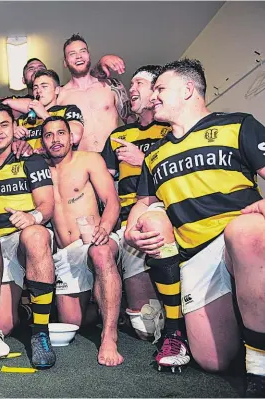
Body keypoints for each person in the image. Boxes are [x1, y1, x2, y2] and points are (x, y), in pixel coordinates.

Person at [125, 59, 265, 396]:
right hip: (196, 256)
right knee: (212, 362)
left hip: (241, 239)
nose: (153, 97)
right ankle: (225, 327)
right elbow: (143, 203)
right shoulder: (154, 155)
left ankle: (260, 367)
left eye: (160, 89)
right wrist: (132, 229)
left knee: (244, 232)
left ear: (188, 89)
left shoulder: (239, 125)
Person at [41, 115, 123, 366]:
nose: (55, 139)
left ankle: (109, 336)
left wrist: (106, 227)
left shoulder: (89, 160)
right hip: (65, 253)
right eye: (48, 135)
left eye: (61, 133)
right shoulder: (39, 169)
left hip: (94, 240)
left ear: (71, 136)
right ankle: (108, 304)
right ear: (42, 141)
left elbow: (112, 200)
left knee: (101, 254)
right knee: (72, 323)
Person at [0, 102, 56, 368]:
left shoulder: (32, 160)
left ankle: (40, 333)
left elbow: (47, 204)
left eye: (4, 125)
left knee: (36, 234)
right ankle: (20, 313)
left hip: (24, 239)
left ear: (15, 128)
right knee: (4, 325)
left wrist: (31, 217)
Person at [101, 65, 170, 342]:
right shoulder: (119, 136)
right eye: (130, 85)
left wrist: (143, 161)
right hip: (126, 216)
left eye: (138, 83)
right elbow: (104, 184)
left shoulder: (170, 131)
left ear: (156, 91)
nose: (131, 89)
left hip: (163, 210)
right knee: (145, 330)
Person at [57, 34, 133, 152]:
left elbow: (132, 122)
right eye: (72, 54)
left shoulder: (111, 86)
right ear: (65, 62)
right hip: (81, 164)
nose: (78, 56)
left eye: (83, 51)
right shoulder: (60, 96)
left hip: (114, 162)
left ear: (89, 55)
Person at [15, 69, 84, 152]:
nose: (38, 91)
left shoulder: (68, 110)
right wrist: (14, 138)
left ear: (57, 90)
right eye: (35, 88)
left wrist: (45, 115)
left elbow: (75, 137)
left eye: (44, 86)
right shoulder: (23, 119)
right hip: (30, 163)